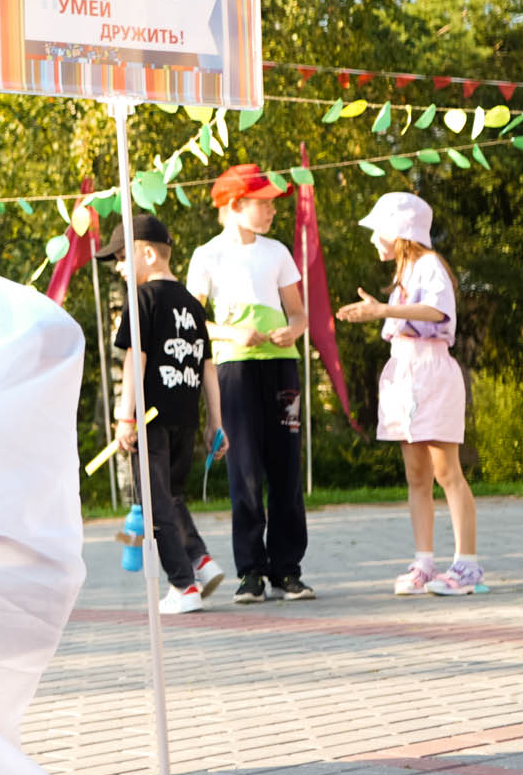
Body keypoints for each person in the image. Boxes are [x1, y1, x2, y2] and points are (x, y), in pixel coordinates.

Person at [337, 191, 483, 595]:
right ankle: (424, 562)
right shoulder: (403, 274)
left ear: (400, 231)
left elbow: (437, 312)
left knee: (446, 471)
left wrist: (383, 311)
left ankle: (467, 564)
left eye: (378, 230)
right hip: (403, 374)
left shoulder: (430, 265)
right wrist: (378, 310)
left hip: (431, 372)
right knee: (416, 475)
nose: (373, 239)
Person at [185, 163, 311, 603]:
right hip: (234, 370)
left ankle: (288, 570)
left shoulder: (277, 252)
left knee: (286, 469)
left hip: (282, 367)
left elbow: (299, 313)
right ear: (236, 205)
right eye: (264, 203)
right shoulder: (207, 255)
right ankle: (251, 572)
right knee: (244, 471)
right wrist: (232, 333)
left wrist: (294, 331)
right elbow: (192, 321)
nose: (272, 211)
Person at [104, 213, 229, 614]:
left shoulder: (143, 299)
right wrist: (215, 423)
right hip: (185, 419)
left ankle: (183, 586)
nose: (119, 268)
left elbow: (135, 359)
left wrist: (125, 417)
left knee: (155, 506)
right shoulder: (192, 304)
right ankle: (201, 561)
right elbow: (208, 367)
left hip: (150, 421)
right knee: (170, 497)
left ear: (147, 254)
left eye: (122, 258)